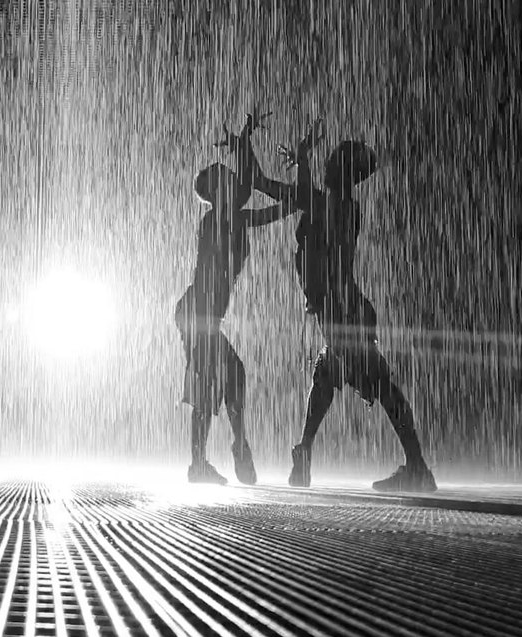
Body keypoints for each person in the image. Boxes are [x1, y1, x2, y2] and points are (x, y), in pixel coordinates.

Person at [256, 121, 438, 492]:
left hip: (342, 311)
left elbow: (271, 187)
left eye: (332, 160)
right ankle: (305, 455)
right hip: (343, 309)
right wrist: (300, 161)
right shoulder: (344, 207)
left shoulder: (329, 204)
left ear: (340, 171)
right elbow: (290, 192)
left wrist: (289, 160)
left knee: (380, 385)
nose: (326, 163)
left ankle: (417, 467)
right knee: (328, 376)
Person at [177, 107, 297, 484]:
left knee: (223, 379)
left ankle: (225, 452)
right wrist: (293, 203)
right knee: (210, 385)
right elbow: (257, 203)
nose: (236, 182)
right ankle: (217, 456)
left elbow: (250, 185)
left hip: (200, 314)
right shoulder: (221, 219)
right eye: (228, 179)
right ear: (218, 191)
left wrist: (244, 141)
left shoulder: (228, 214)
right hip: (197, 313)